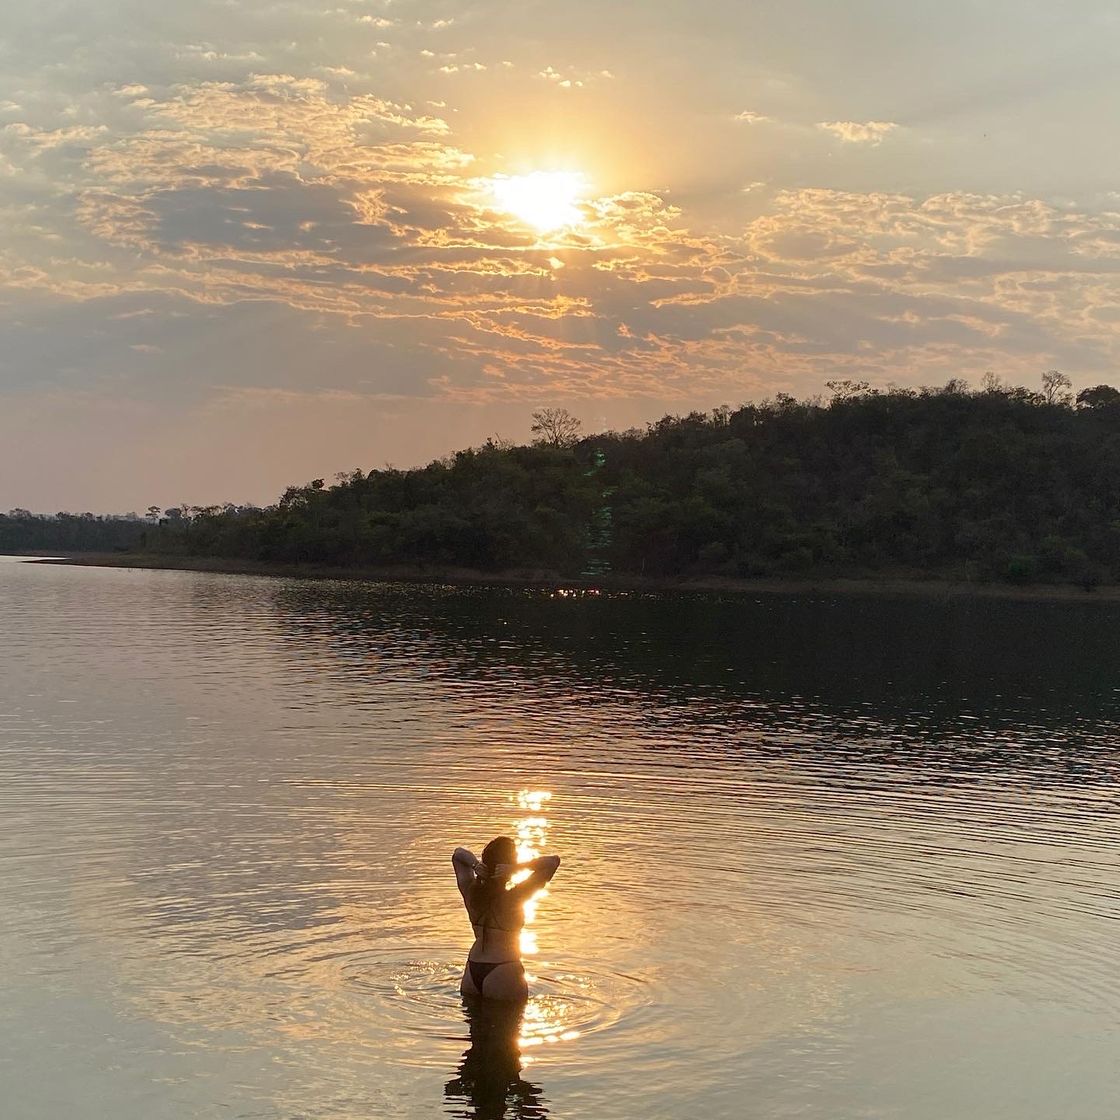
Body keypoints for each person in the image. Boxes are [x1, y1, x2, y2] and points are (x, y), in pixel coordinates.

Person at [452, 836, 561, 1001]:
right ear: (507, 865)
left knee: (474, 1025)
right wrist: (518, 868)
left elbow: (458, 855)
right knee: (509, 1025)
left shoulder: (471, 892)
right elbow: (553, 862)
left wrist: (475, 865)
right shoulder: (516, 897)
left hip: (472, 970)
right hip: (503, 969)